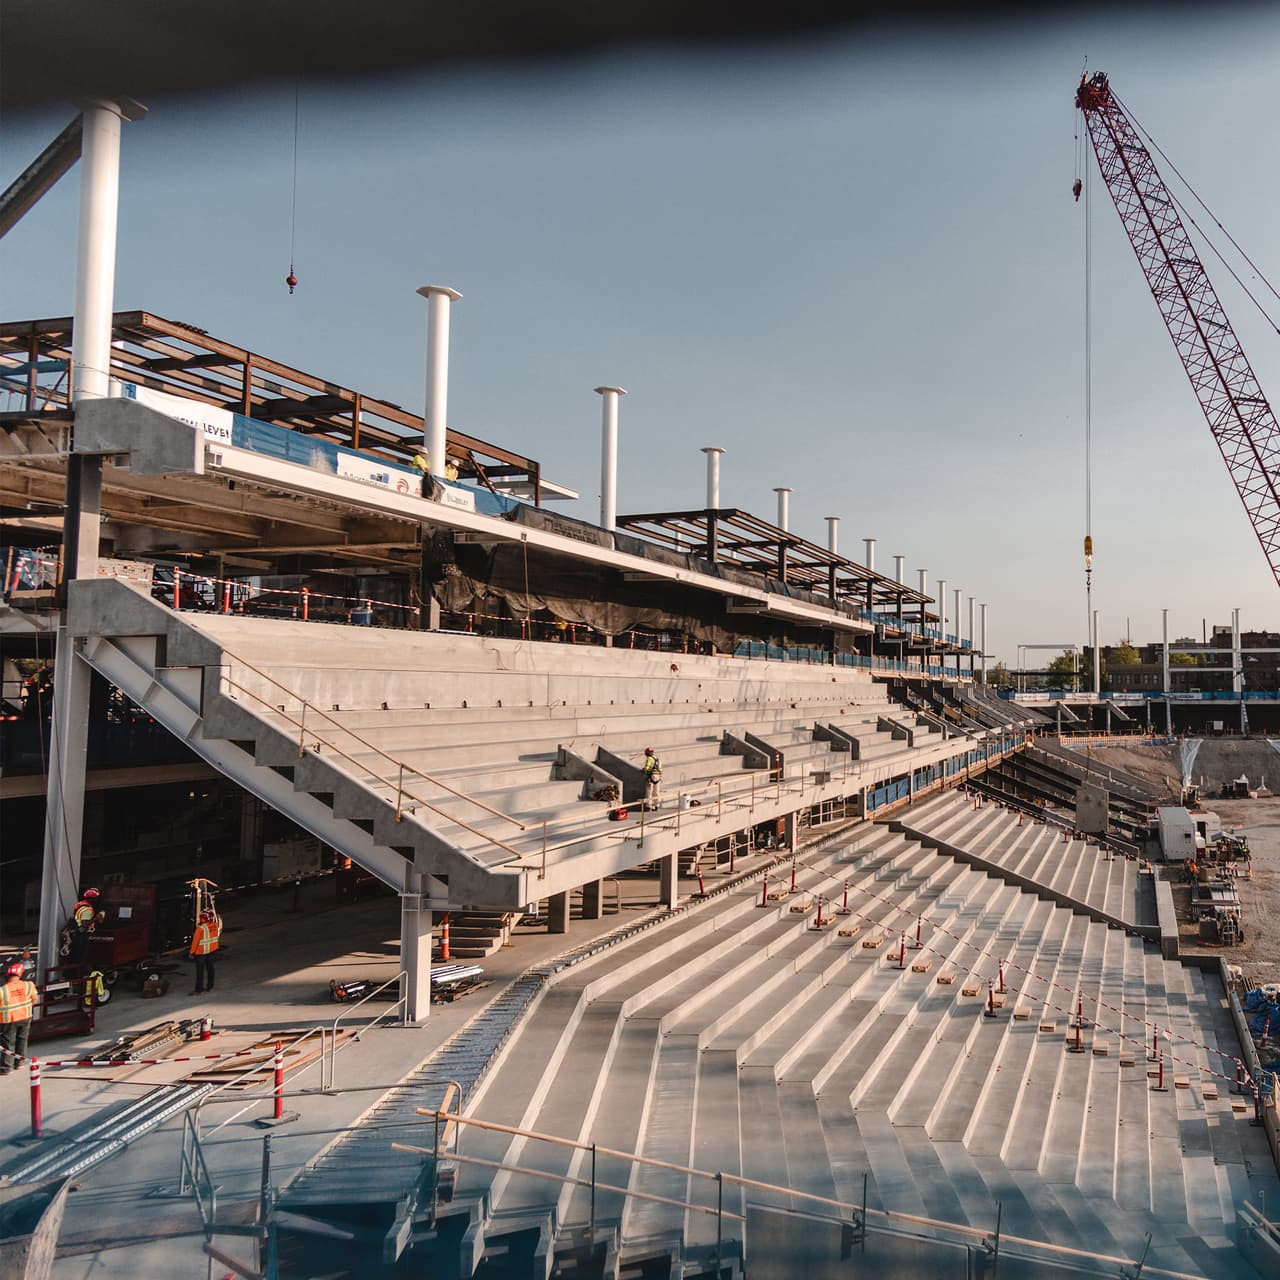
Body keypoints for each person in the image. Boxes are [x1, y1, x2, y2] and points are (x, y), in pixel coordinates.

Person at [0, 961, 37, 1074]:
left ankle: (6, 1068)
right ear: (20, 975)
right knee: (22, 1039)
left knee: (8, 1043)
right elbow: (34, 999)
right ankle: (19, 1063)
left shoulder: (2, 989)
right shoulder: (28, 985)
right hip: (25, 1016)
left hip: (8, 1019)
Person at [190, 907, 222, 994]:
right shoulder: (214, 926)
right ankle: (210, 986)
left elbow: (195, 942)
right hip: (212, 951)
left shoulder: (200, 928)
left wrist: (192, 952)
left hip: (200, 953)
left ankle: (198, 989)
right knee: (210, 969)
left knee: (200, 972)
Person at [68, 887, 101, 969]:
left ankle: (72, 973)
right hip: (80, 935)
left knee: (74, 956)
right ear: (93, 899)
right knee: (80, 956)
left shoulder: (80, 905)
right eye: (96, 899)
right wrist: (96, 918)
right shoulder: (87, 909)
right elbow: (84, 923)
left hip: (76, 933)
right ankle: (76, 975)